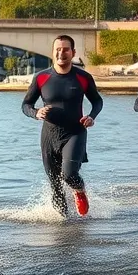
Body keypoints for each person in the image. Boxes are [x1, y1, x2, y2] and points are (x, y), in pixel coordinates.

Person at [22, 35, 103, 216]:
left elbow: (97, 101)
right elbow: (25, 105)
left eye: (66, 49)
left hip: (75, 133)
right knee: (55, 185)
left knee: (69, 175)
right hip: (49, 136)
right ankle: (63, 228)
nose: (61, 53)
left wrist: (91, 116)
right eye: (57, 49)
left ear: (73, 52)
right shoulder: (41, 78)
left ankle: (80, 190)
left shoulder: (83, 77)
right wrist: (36, 113)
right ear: (52, 53)